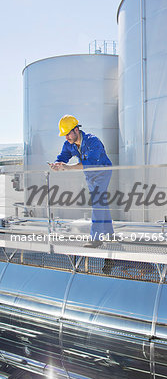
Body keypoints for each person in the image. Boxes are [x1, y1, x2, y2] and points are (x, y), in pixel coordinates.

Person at [50, 115, 115, 273]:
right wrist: (57, 164)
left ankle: (96, 239)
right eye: (64, 134)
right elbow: (63, 156)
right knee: (100, 202)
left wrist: (69, 168)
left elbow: (89, 163)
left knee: (98, 202)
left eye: (68, 133)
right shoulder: (69, 143)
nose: (66, 137)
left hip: (102, 172)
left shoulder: (93, 142)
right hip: (90, 175)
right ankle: (109, 233)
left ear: (76, 130)